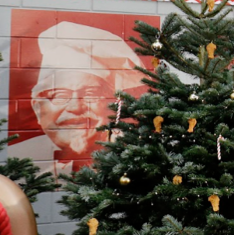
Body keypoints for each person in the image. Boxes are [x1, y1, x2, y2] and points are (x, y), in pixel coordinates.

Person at [9, 22, 147, 176]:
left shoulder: (139, 157)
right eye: (59, 95)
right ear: (37, 108)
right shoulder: (15, 160)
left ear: (112, 105)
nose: (75, 107)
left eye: (90, 94)